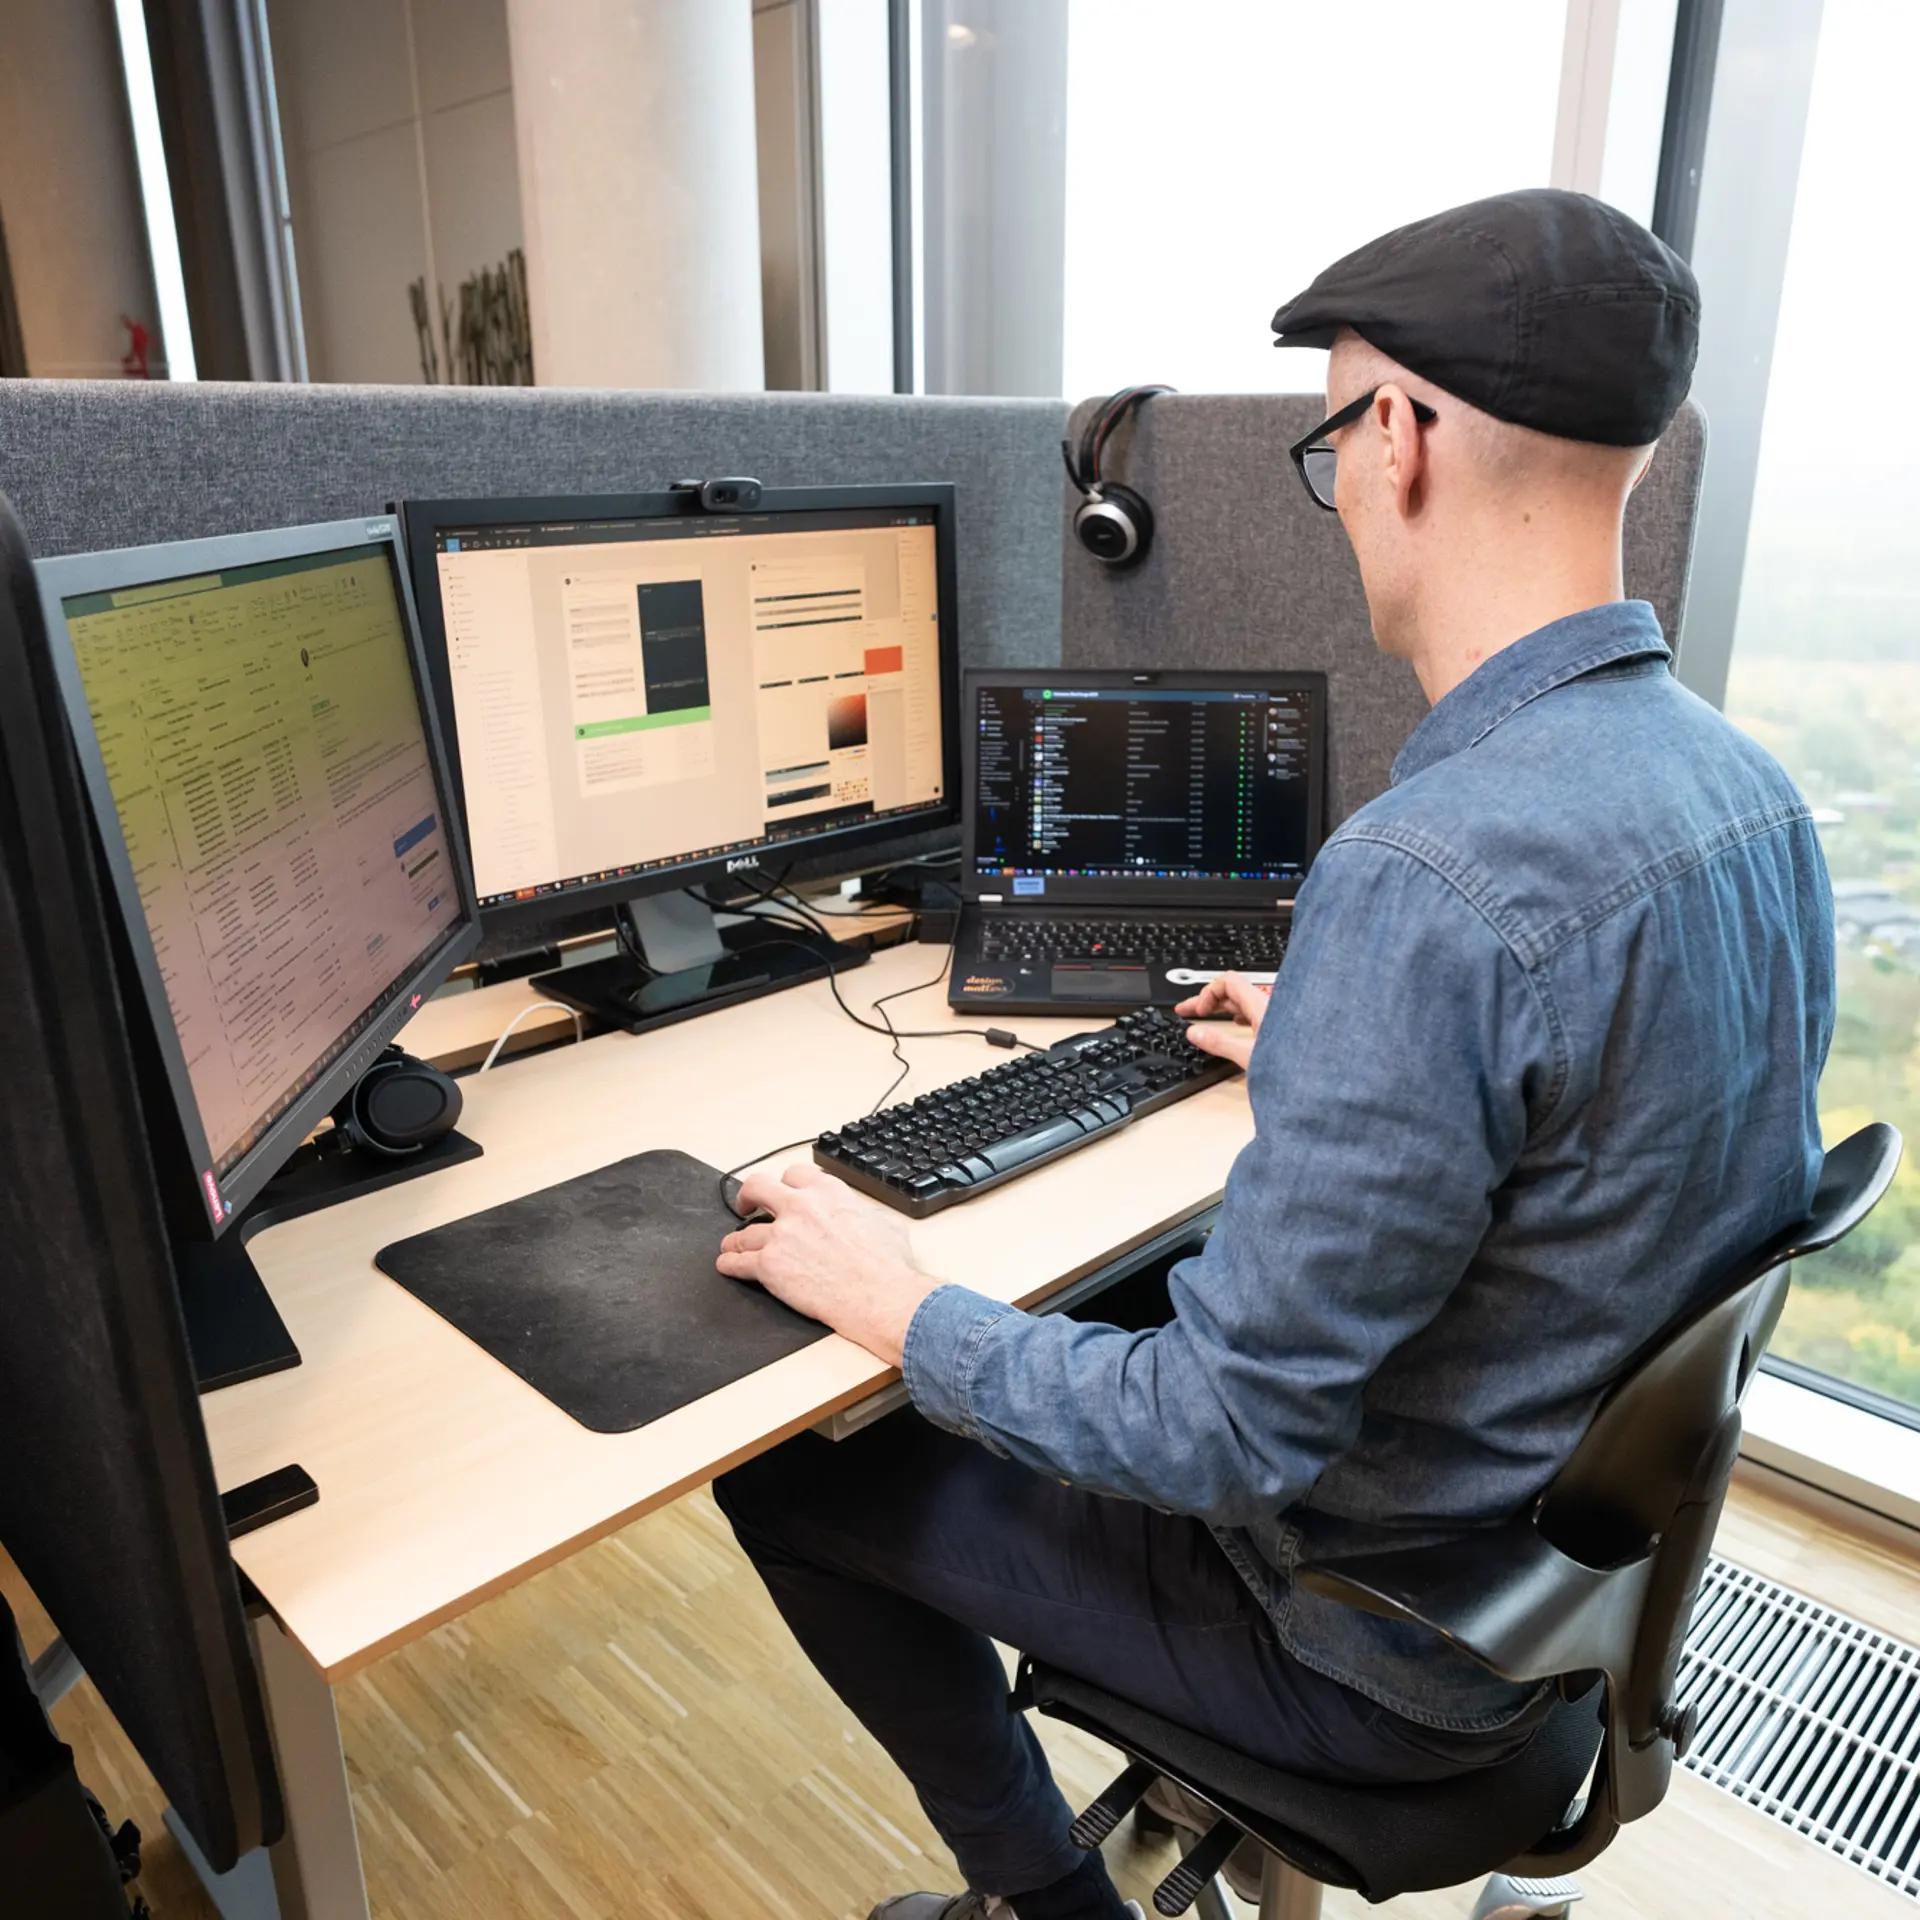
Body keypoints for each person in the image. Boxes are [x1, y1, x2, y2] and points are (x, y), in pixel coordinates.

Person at [712, 190, 1835, 1920]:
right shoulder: (1749, 799)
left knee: (800, 1458)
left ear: (1397, 438)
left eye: (1330, 441)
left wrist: (896, 1299)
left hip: (1369, 1646)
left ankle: (1048, 1902)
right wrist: (1341, 1055)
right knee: (1090, 1299)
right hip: (1537, 1590)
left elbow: (1221, 1433)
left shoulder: (1429, 874)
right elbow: (1598, 1137)